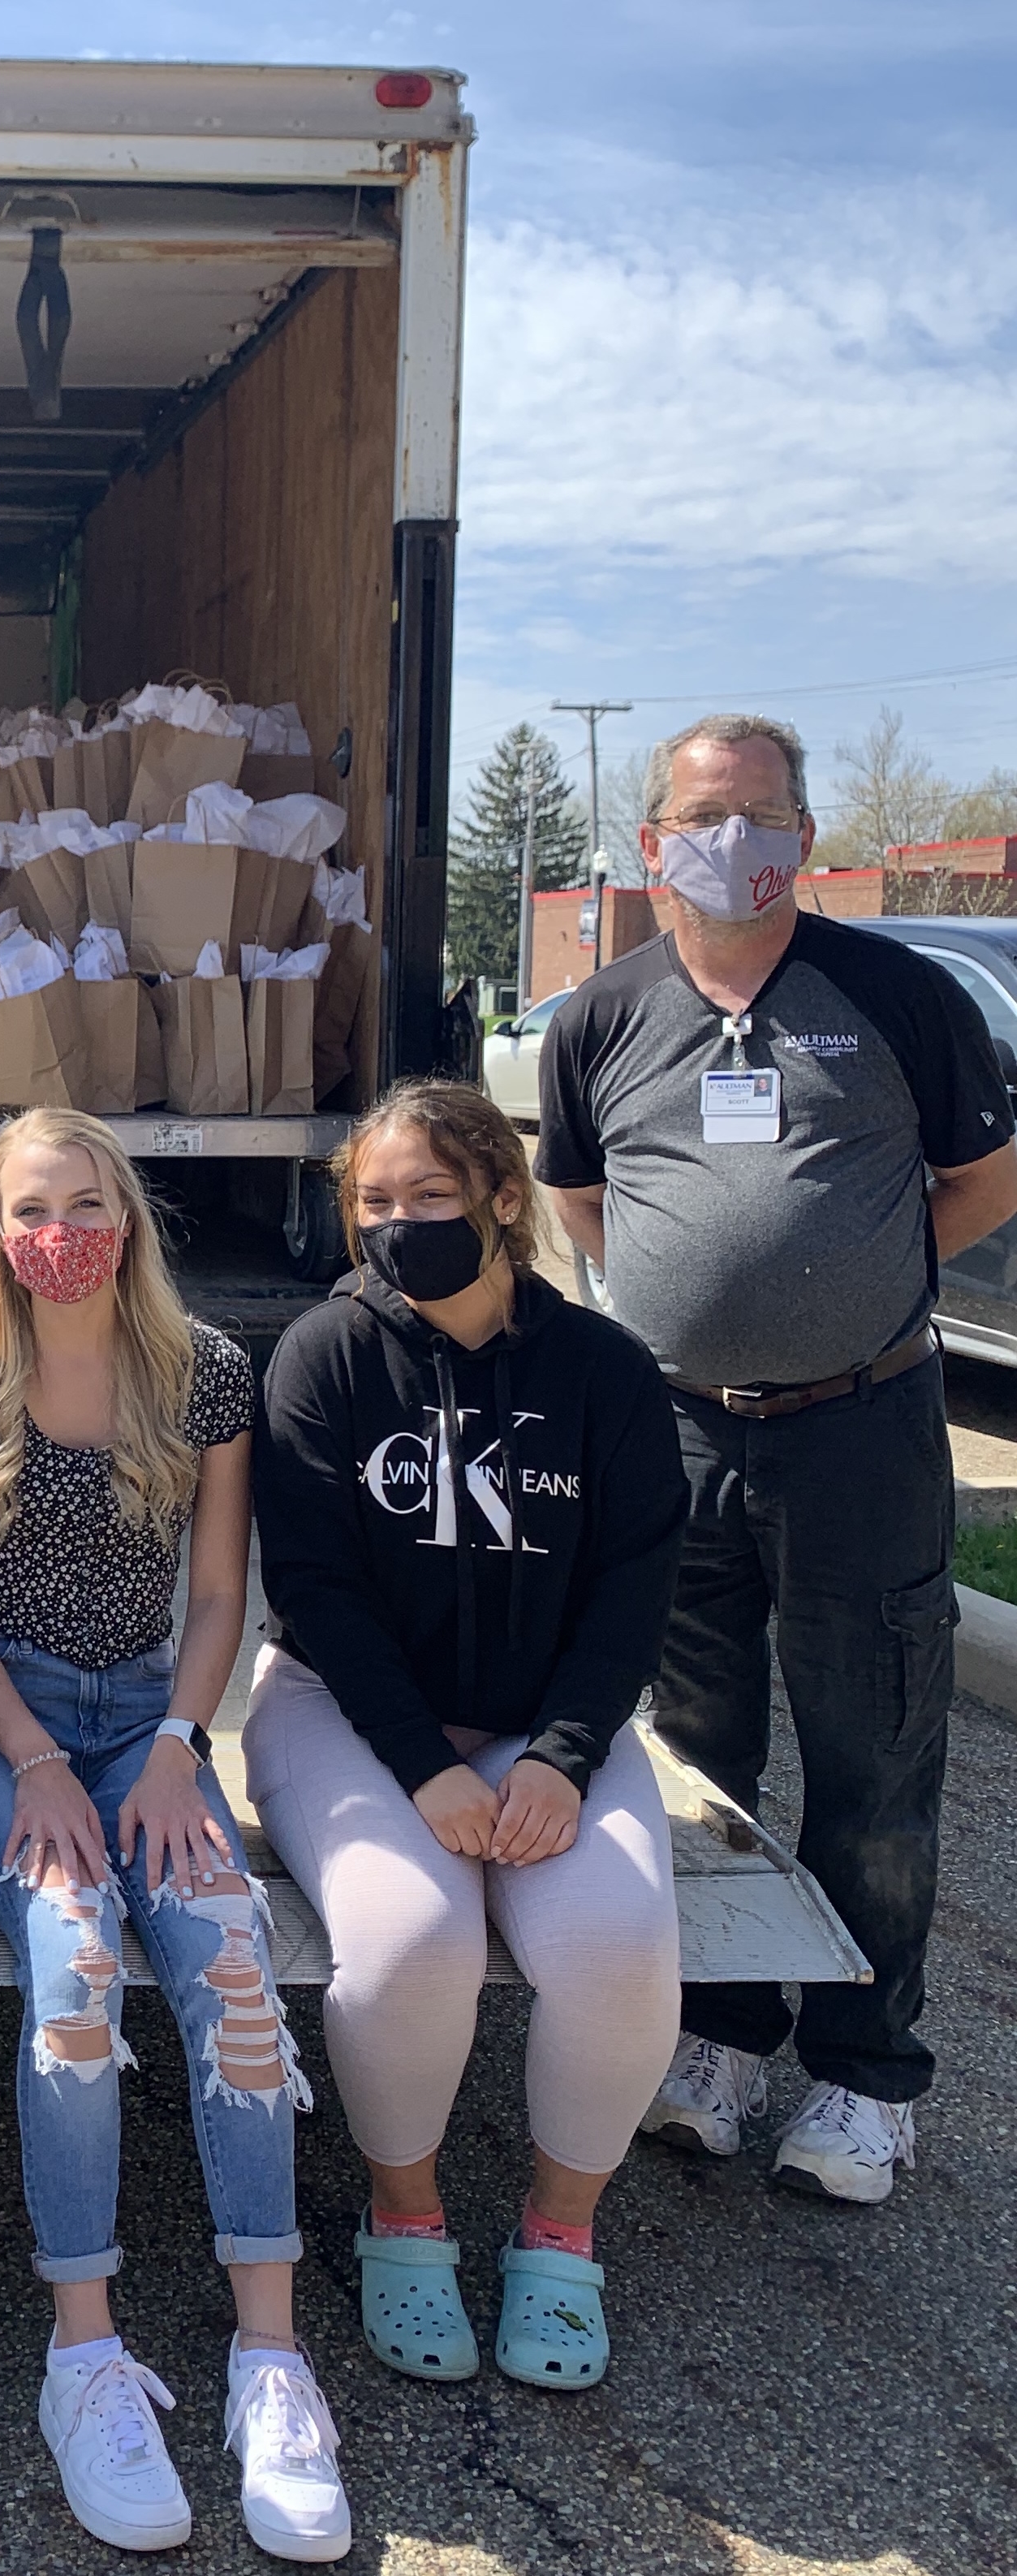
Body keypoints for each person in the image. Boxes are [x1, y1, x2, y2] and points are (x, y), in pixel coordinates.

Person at [538, 713, 1017, 2203]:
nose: (728, 841)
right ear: (652, 842)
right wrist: (704, 1305)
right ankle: (724, 2038)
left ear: (806, 839)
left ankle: (868, 2074)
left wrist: (858, 1281)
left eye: (759, 815)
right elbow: (582, 1202)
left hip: (861, 1431)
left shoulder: (897, 994)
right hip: (682, 1435)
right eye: (701, 815)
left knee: (875, 1754)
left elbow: (985, 1174)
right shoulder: (601, 1017)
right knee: (698, 1754)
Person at [0, 1107, 347, 2565]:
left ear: (132, 1218)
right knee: (75, 1974)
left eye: (88, 1201)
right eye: (32, 1206)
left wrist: (176, 1744)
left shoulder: (204, 1372)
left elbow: (219, 1595)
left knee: (231, 1963)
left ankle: (268, 2356)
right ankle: (84, 2354)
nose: (62, 1231)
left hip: (147, 1725)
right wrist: (32, 1761)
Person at [248, 1081, 687, 2402]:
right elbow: (315, 1584)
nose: (396, 1226)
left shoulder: (602, 1371)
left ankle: (560, 2230)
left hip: (542, 1721)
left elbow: (634, 1580)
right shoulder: (322, 1356)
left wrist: (559, 1753)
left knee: (616, 1937)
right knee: (413, 1933)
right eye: (373, 1203)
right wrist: (424, 1766)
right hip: (345, 1710)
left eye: (429, 1199)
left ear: (506, 1198)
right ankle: (406, 2211)